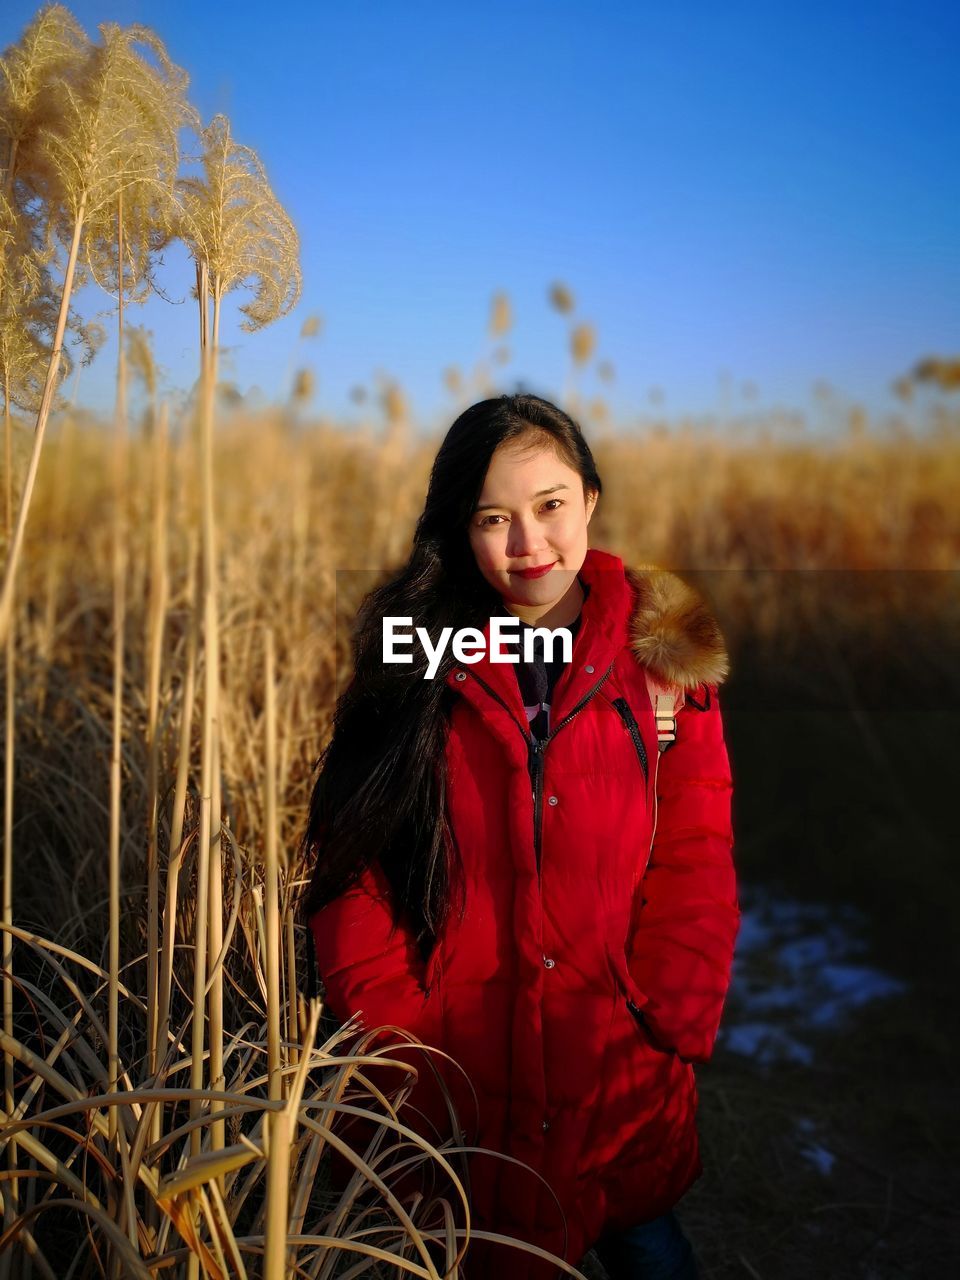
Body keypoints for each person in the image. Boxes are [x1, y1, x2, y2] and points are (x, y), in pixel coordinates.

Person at [300, 394, 740, 1280]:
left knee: (647, 1247)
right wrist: (403, 1049)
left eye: (550, 506)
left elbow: (696, 850)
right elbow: (354, 869)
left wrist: (669, 1012)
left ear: (590, 503)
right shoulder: (417, 655)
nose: (528, 543)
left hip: (613, 1063)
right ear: (459, 529)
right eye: (493, 518)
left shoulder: (659, 657)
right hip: (461, 1077)